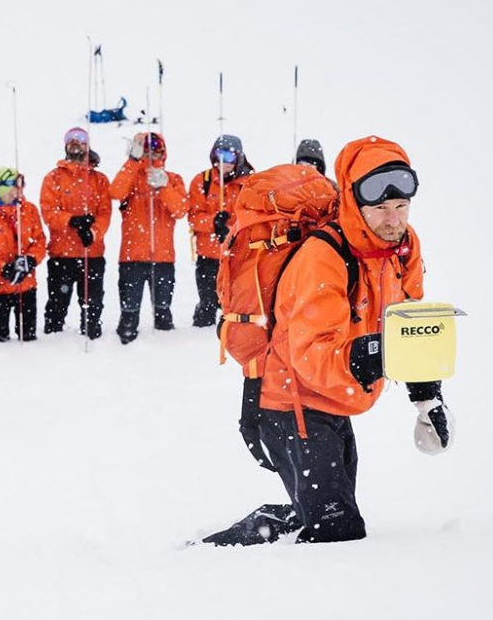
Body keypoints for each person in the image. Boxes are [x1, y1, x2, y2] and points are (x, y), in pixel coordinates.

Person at [205, 135, 455, 546]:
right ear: (356, 203)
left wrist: (427, 397)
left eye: (401, 207)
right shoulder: (324, 255)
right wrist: (376, 353)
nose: (393, 220)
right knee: (337, 531)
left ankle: (278, 522)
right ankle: (222, 556)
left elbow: (408, 325)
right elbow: (311, 355)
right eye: (380, 209)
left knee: (330, 518)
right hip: (293, 403)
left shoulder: (402, 247)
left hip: (335, 401)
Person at [109, 131, 188, 343]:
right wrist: (132, 161)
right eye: (146, 151)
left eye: (156, 150)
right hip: (132, 257)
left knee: (163, 312)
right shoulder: (131, 177)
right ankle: (123, 352)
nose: (152, 155)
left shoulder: (173, 179)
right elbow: (115, 192)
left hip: (163, 258)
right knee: (129, 313)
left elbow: (181, 210)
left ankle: (161, 355)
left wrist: (164, 188)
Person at [39, 127, 112, 339]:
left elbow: (105, 214)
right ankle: (52, 342)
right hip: (62, 255)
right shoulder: (53, 178)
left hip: (92, 254)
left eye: (80, 139)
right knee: (57, 304)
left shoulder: (99, 180)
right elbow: (49, 212)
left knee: (92, 305)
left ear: (87, 145)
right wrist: (72, 220)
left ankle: (92, 342)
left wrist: (93, 232)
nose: (75, 143)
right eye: (70, 139)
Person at [187, 134, 255, 327]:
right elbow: (193, 216)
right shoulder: (202, 181)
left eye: (230, 157)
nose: (224, 162)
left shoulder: (249, 183)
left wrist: (232, 230)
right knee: (207, 302)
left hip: (238, 256)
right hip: (208, 256)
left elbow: (252, 216)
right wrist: (213, 223)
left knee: (236, 305)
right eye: (220, 155)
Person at [0, 167, 47, 342]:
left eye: (21, 186)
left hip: (26, 286)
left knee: (28, 338)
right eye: (16, 186)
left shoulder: (29, 211)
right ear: (3, 187)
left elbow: (40, 241)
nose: (20, 191)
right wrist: (4, 269)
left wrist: (30, 260)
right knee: (0, 339)